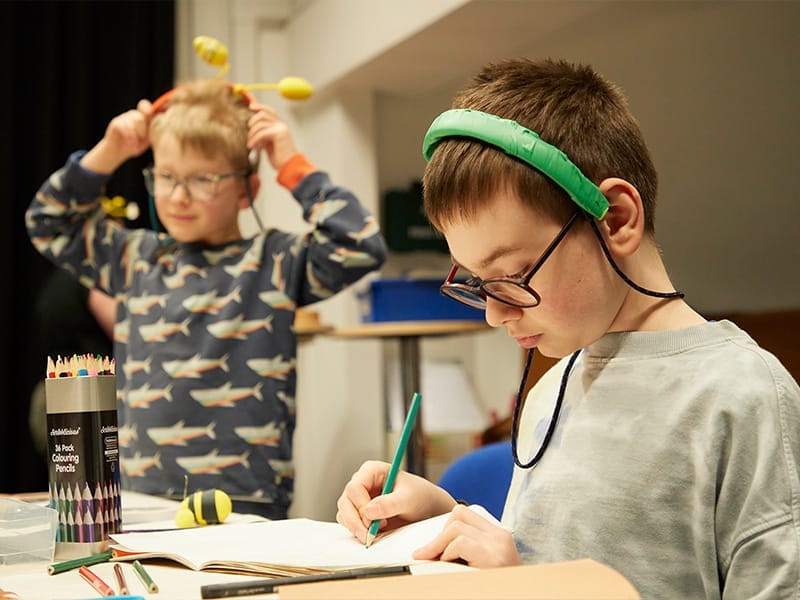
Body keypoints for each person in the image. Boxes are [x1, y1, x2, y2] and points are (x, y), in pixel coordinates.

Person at [335, 58, 800, 597]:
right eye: (479, 281)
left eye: (512, 273)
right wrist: (444, 519)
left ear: (616, 219)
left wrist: (524, 589)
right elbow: (548, 557)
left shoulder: (743, 398)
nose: (493, 312)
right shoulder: (553, 385)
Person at [27, 79, 387, 520]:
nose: (179, 196)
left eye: (203, 179)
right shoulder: (133, 258)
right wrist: (111, 150)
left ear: (246, 191)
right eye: (166, 176)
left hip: (246, 500)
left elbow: (361, 243)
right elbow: (47, 222)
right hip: (141, 497)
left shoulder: (276, 260)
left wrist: (290, 164)